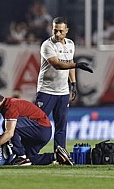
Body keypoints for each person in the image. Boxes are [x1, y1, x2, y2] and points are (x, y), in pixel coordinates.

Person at [36, 16, 93, 153]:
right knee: (38, 124)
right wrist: (77, 64)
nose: (57, 34)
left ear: (66, 30)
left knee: (61, 126)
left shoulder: (70, 44)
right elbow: (56, 64)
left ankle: (60, 154)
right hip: (46, 91)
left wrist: (73, 83)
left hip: (62, 92)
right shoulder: (47, 45)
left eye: (60, 31)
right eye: (55, 30)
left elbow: (69, 64)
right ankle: (29, 152)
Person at [0, 90, 73, 166]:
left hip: (41, 129)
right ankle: (57, 156)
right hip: (42, 131)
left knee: (8, 127)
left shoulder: (10, 106)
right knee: (30, 158)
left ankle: (21, 156)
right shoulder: (9, 104)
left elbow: (10, 133)